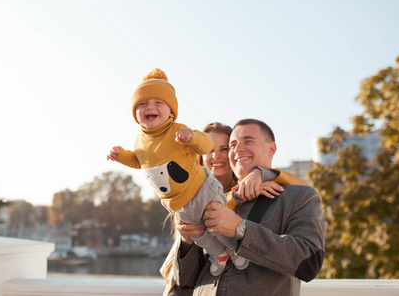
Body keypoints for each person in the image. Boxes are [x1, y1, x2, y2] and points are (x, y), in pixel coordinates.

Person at [107, 69, 249, 276]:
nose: (150, 107)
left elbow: (205, 144)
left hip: (200, 190)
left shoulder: (177, 130)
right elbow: (138, 161)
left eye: (158, 103)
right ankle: (219, 253)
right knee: (197, 232)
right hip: (176, 202)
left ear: (171, 113)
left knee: (216, 221)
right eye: (142, 104)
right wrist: (120, 155)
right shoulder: (139, 141)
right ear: (136, 115)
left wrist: (191, 137)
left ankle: (233, 248)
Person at [172, 119, 327, 296]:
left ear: (271, 149)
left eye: (248, 141)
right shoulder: (214, 201)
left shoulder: (300, 196)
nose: (238, 149)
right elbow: (185, 282)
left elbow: (309, 262)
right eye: (232, 145)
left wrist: (240, 229)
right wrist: (187, 243)